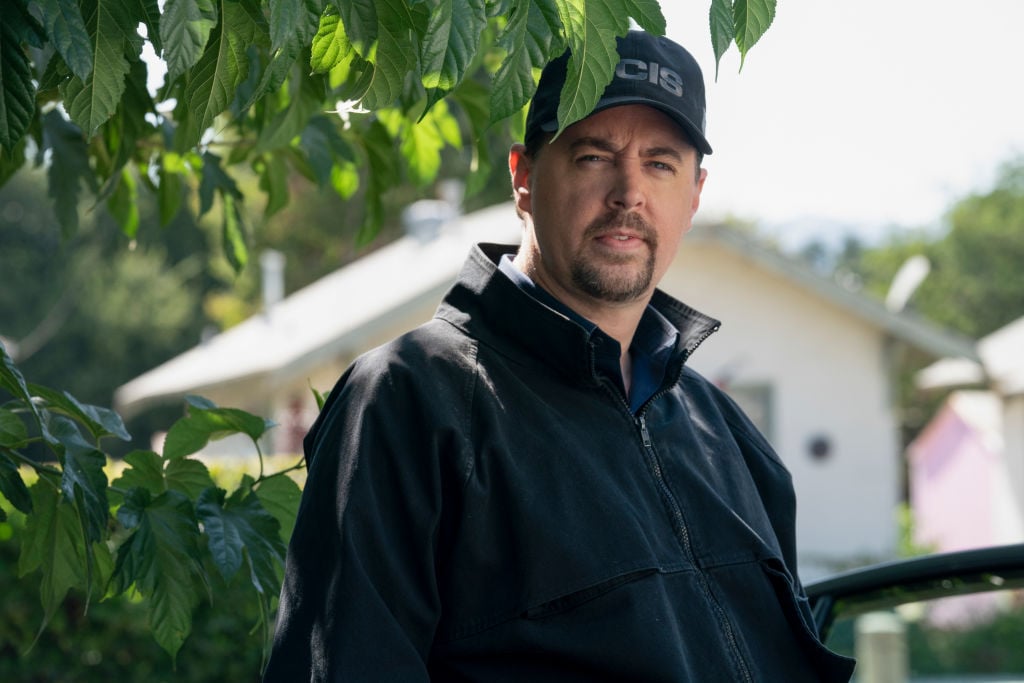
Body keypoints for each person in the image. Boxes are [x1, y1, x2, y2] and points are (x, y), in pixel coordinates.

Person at [263, 30, 856, 682]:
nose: (629, 192)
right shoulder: (411, 399)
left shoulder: (730, 434)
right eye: (594, 156)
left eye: (661, 163)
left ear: (694, 194)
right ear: (523, 177)